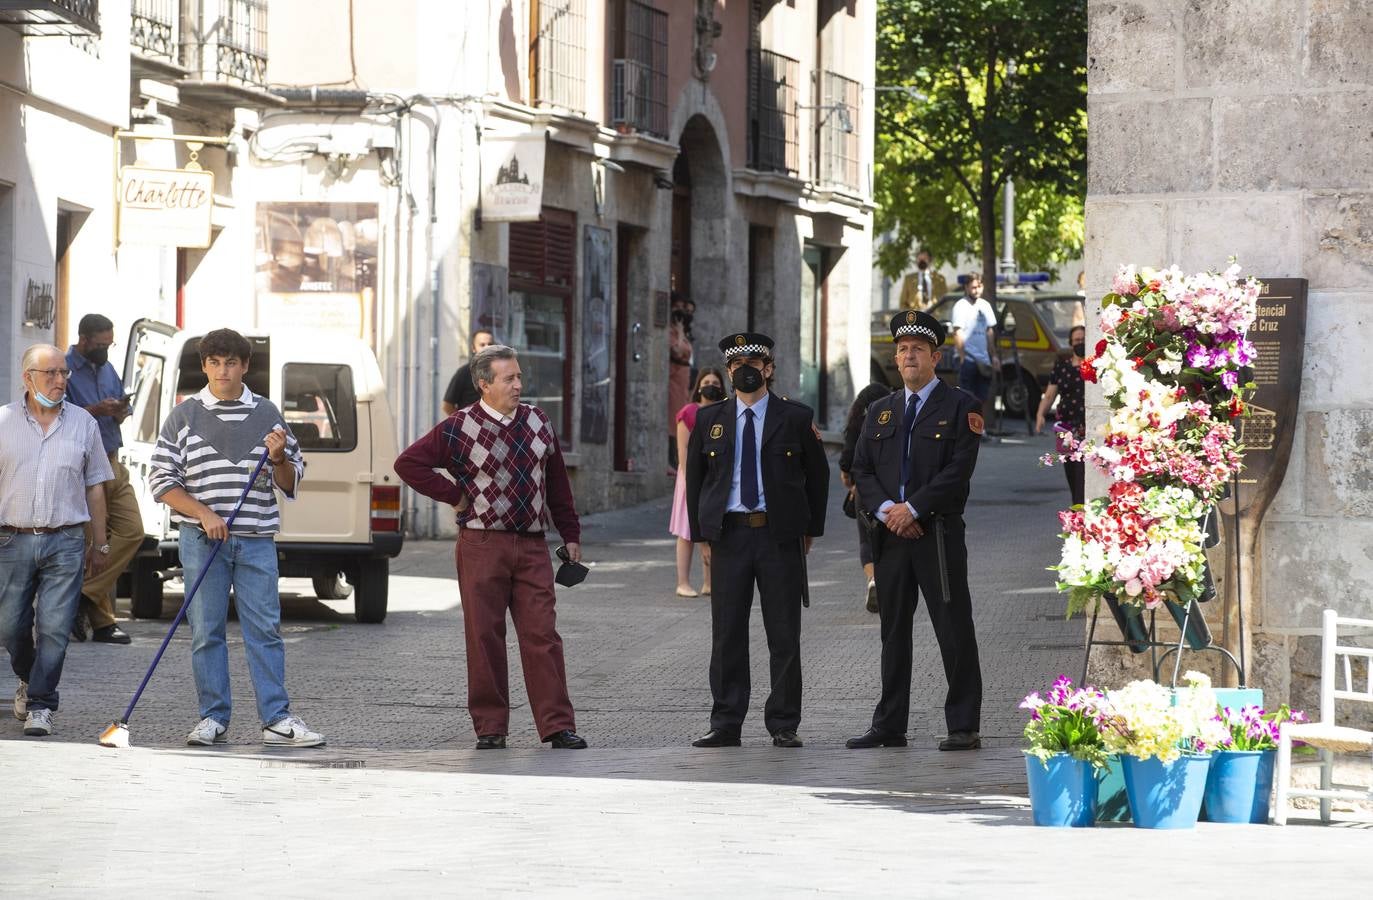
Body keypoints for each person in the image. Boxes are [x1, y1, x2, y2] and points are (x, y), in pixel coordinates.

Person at [394, 344, 588, 751]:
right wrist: (455, 496)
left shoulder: (538, 421)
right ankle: (490, 728)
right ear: (483, 384)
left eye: (519, 376)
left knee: (543, 635)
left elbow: (557, 484)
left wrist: (570, 535)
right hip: (481, 543)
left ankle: (557, 726)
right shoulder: (458, 427)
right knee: (484, 636)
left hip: (533, 545)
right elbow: (408, 464)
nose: (518, 384)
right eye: (509, 378)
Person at [148, 328, 324, 748]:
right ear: (205, 365)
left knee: (264, 629)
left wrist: (279, 457)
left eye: (231, 362)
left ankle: (277, 719)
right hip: (200, 540)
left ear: (245, 366)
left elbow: (289, 481)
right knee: (206, 630)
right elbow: (161, 480)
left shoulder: (268, 414)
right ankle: (212, 718)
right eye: (214, 362)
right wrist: (203, 513)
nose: (222, 370)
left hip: (257, 539)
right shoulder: (183, 416)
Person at [848, 310, 985, 752]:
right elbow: (861, 468)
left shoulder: (961, 406)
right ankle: (889, 725)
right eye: (903, 349)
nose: (909, 356)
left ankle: (963, 725)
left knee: (953, 627)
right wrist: (890, 510)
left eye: (918, 350)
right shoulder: (880, 411)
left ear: (935, 357)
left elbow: (958, 472)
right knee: (893, 632)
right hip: (890, 536)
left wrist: (915, 509)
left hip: (937, 536)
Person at [685, 332, 829, 749]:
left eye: (754, 364)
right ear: (728, 372)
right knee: (727, 632)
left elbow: (817, 479)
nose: (745, 371)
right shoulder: (709, 420)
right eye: (737, 365)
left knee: (783, 632)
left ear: (769, 369)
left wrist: (809, 530)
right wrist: (701, 536)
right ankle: (726, 721)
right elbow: (695, 480)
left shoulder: (796, 417)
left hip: (777, 536)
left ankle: (783, 721)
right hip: (729, 536)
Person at [0, 345, 112, 737]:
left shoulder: (83, 423)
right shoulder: (3, 421)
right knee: (9, 625)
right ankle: (30, 678)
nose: (61, 380)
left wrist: (100, 544)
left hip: (65, 540)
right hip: (11, 539)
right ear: (27, 377)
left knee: (55, 627)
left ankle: (42, 704)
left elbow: (95, 487)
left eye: (64, 373)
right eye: (50, 373)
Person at [63, 313, 139, 644]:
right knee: (95, 541)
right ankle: (104, 623)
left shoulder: (107, 368)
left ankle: (81, 596)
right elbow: (60, 415)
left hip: (111, 457)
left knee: (133, 530)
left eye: (110, 343)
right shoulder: (62, 369)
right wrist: (97, 409)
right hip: (80, 464)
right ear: (84, 339)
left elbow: (119, 406)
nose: (106, 350)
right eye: (101, 344)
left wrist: (120, 410)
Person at [839, 381, 896, 613]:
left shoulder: (856, 425)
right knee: (891, 540)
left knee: (866, 540)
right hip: (891, 489)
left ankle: (873, 580)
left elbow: (845, 464)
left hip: (863, 489)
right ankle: (891, 584)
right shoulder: (894, 419)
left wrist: (851, 483)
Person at [670, 367, 726, 597]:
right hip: (690, 479)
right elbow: (683, 449)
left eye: (715, 381)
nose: (710, 385)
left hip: (715, 478)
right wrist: (689, 477)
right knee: (687, 532)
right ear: (698, 386)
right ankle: (682, 582)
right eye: (706, 381)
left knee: (712, 529)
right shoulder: (689, 412)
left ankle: (709, 583)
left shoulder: (724, 412)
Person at [1036, 325, 1087, 507]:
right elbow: (1050, 395)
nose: (1080, 343)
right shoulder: (1062, 367)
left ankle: (1081, 511)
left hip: (1087, 426)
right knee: (1072, 471)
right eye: (1077, 341)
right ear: (1071, 344)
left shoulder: (1093, 365)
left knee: (1084, 470)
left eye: (1083, 340)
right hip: (1065, 428)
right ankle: (1077, 506)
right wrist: (1041, 414)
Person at [951, 274, 999, 436]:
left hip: (984, 359)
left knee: (982, 397)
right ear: (966, 288)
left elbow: (989, 331)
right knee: (966, 396)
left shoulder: (985, 305)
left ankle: (979, 428)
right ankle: (965, 429)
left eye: (979, 286)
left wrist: (993, 356)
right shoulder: (960, 306)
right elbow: (957, 332)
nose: (976, 290)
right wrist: (963, 356)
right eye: (973, 287)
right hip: (969, 359)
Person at [666, 294, 694, 471]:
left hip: (684, 378)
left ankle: (678, 457)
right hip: (674, 377)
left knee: (682, 413)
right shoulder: (671, 332)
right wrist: (680, 331)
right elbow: (677, 351)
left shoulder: (682, 332)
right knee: (673, 417)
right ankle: (671, 458)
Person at [441, 330, 496, 416]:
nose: (487, 348)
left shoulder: (499, 371)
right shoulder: (464, 372)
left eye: (490, 344)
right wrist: (462, 422)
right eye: (482, 345)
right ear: (473, 348)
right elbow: (447, 405)